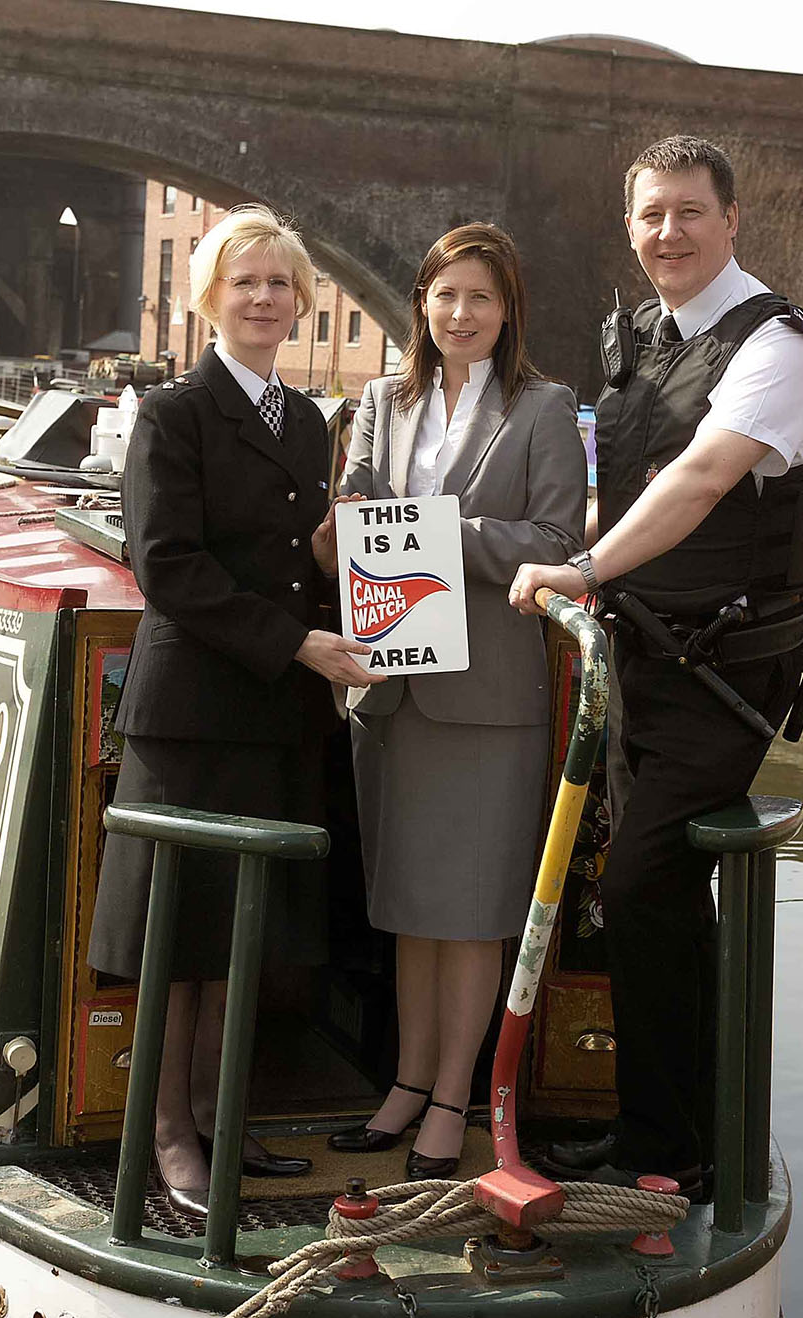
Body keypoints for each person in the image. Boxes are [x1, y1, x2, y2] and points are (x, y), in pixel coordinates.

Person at [509, 136, 803, 1199]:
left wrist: (585, 567)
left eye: (689, 212)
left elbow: (698, 480)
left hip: (727, 671)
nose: (667, 234)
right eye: (650, 215)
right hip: (645, 660)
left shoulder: (775, 345)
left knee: (642, 884)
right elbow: (636, 478)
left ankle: (660, 1142)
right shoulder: (643, 337)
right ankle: (680, 1132)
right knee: (656, 898)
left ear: (731, 221)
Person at [88, 204, 383, 1217]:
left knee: (241, 933)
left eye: (280, 283)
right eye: (245, 281)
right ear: (209, 296)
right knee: (179, 938)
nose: (264, 298)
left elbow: (289, 564)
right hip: (197, 714)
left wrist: (332, 574)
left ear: (301, 300)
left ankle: (218, 1122)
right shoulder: (173, 412)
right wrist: (298, 641)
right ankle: (165, 1131)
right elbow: (164, 565)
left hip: (276, 713)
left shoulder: (306, 422)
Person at [327, 223, 587, 1177]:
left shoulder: (545, 407)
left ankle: (452, 1099)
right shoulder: (379, 403)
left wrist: (437, 533)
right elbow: (354, 510)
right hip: (394, 693)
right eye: (445, 296)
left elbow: (556, 535)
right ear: (422, 306)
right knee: (409, 907)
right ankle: (403, 1084)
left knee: (473, 910)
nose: (460, 314)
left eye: (480, 298)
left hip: (486, 701)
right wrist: (349, 529)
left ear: (508, 308)